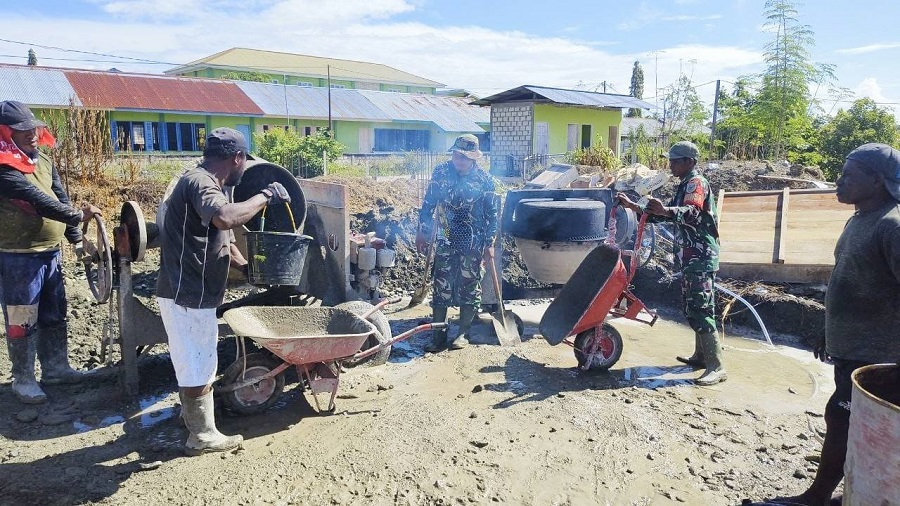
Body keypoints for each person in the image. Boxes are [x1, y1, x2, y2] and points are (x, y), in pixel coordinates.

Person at [765, 143, 900, 506]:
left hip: (876, 359)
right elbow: (848, 278)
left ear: (876, 181)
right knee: (846, 421)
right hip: (851, 348)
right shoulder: (859, 218)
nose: (838, 182)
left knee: (847, 422)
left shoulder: (892, 225)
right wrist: (828, 330)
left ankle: (819, 498)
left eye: (848, 176)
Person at [155, 127, 291, 456]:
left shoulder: (215, 185)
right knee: (198, 362)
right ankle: (201, 436)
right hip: (186, 293)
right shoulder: (200, 182)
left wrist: (248, 269)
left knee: (196, 359)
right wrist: (265, 197)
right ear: (237, 158)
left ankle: (195, 422)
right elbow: (224, 219)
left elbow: (224, 242)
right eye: (245, 162)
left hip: (191, 292)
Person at [0, 100, 102, 404]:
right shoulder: (3, 167)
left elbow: (60, 197)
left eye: (33, 127)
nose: (32, 134)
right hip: (18, 257)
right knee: (22, 319)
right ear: (6, 133)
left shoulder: (43, 161)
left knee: (53, 314)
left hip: (50, 253)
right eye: (22, 130)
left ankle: (56, 369)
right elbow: (35, 198)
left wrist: (77, 239)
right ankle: (23, 379)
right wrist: (76, 216)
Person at [615, 140, 726, 385]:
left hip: (701, 257)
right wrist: (634, 207)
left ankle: (717, 365)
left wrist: (666, 210)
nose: (671, 165)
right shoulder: (684, 185)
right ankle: (701, 356)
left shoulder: (696, 184)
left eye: (675, 160)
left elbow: (691, 213)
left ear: (690, 162)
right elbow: (665, 215)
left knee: (701, 308)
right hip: (691, 258)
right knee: (693, 306)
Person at [415, 134, 498, 352]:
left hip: (473, 238)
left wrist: (489, 243)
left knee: (469, 284)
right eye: (455, 154)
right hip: (446, 233)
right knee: (441, 282)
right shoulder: (441, 172)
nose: (458, 159)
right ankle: (438, 334)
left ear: (473, 158)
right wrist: (422, 231)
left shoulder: (485, 180)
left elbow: (493, 214)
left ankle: (463, 333)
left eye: (463, 156)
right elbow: (428, 203)